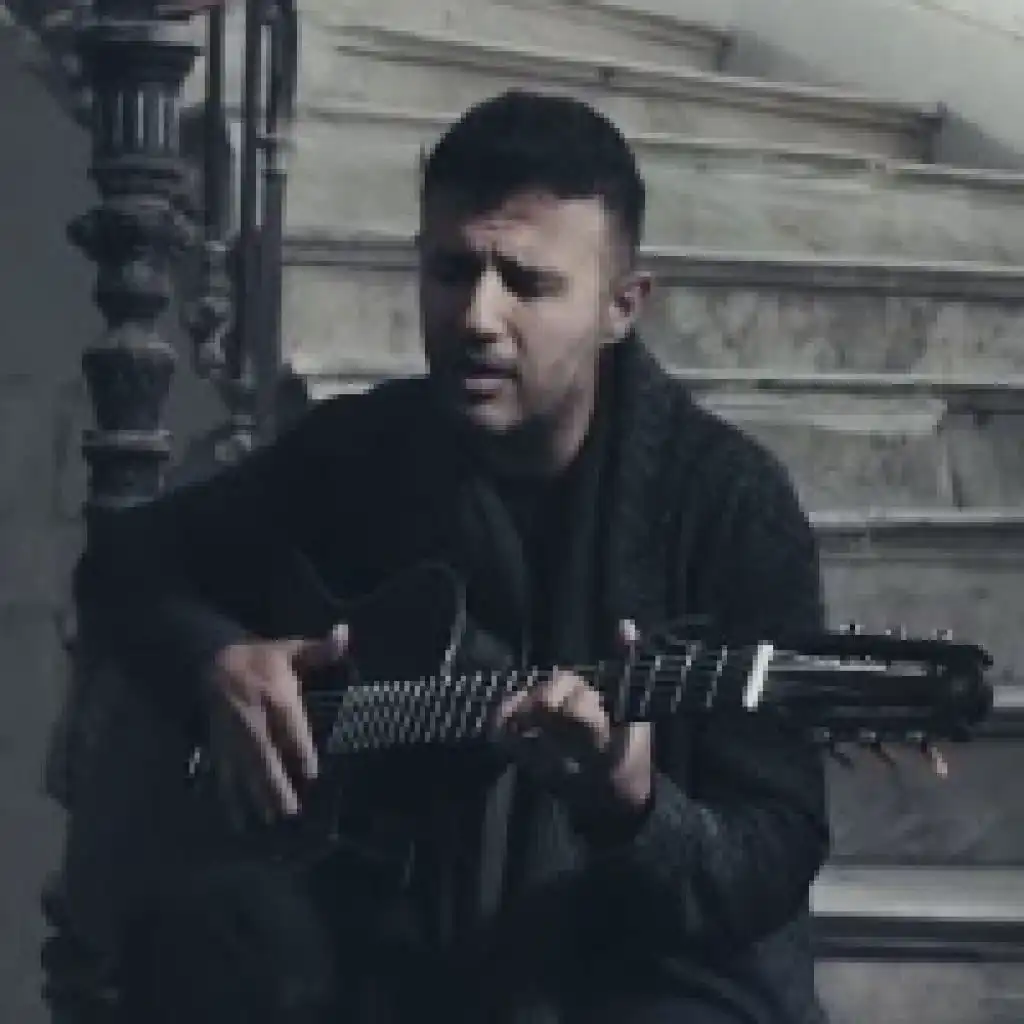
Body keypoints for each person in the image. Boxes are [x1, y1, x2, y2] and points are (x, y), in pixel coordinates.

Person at [73, 90, 831, 1024]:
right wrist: (215, 660)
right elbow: (129, 559)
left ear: (622, 306)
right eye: (451, 270)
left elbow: (773, 852)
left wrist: (632, 806)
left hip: (639, 958)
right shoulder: (360, 450)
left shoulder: (729, 503)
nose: (476, 315)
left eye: (528, 283)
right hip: (393, 940)